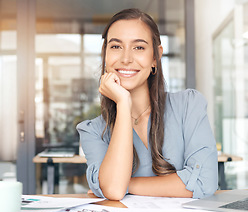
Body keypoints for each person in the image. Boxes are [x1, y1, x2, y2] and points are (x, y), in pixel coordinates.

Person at [76, 8, 218, 200]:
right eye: (116, 46)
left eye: (139, 47)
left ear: (155, 57)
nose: (126, 59)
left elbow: (204, 183)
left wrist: (127, 183)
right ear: (105, 55)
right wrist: (123, 104)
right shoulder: (93, 131)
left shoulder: (188, 106)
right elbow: (115, 191)